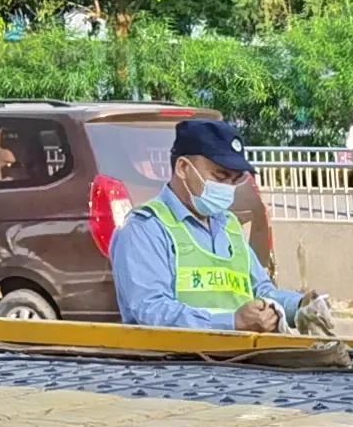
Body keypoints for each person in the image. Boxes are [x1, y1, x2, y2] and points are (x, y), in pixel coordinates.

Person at [109, 116, 310, 335]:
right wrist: (231, 322)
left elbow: (259, 290)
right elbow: (150, 310)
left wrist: (300, 307)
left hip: (238, 363)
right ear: (183, 168)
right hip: (174, 365)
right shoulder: (145, 229)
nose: (228, 188)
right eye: (220, 176)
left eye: (235, 180)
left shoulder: (229, 226)